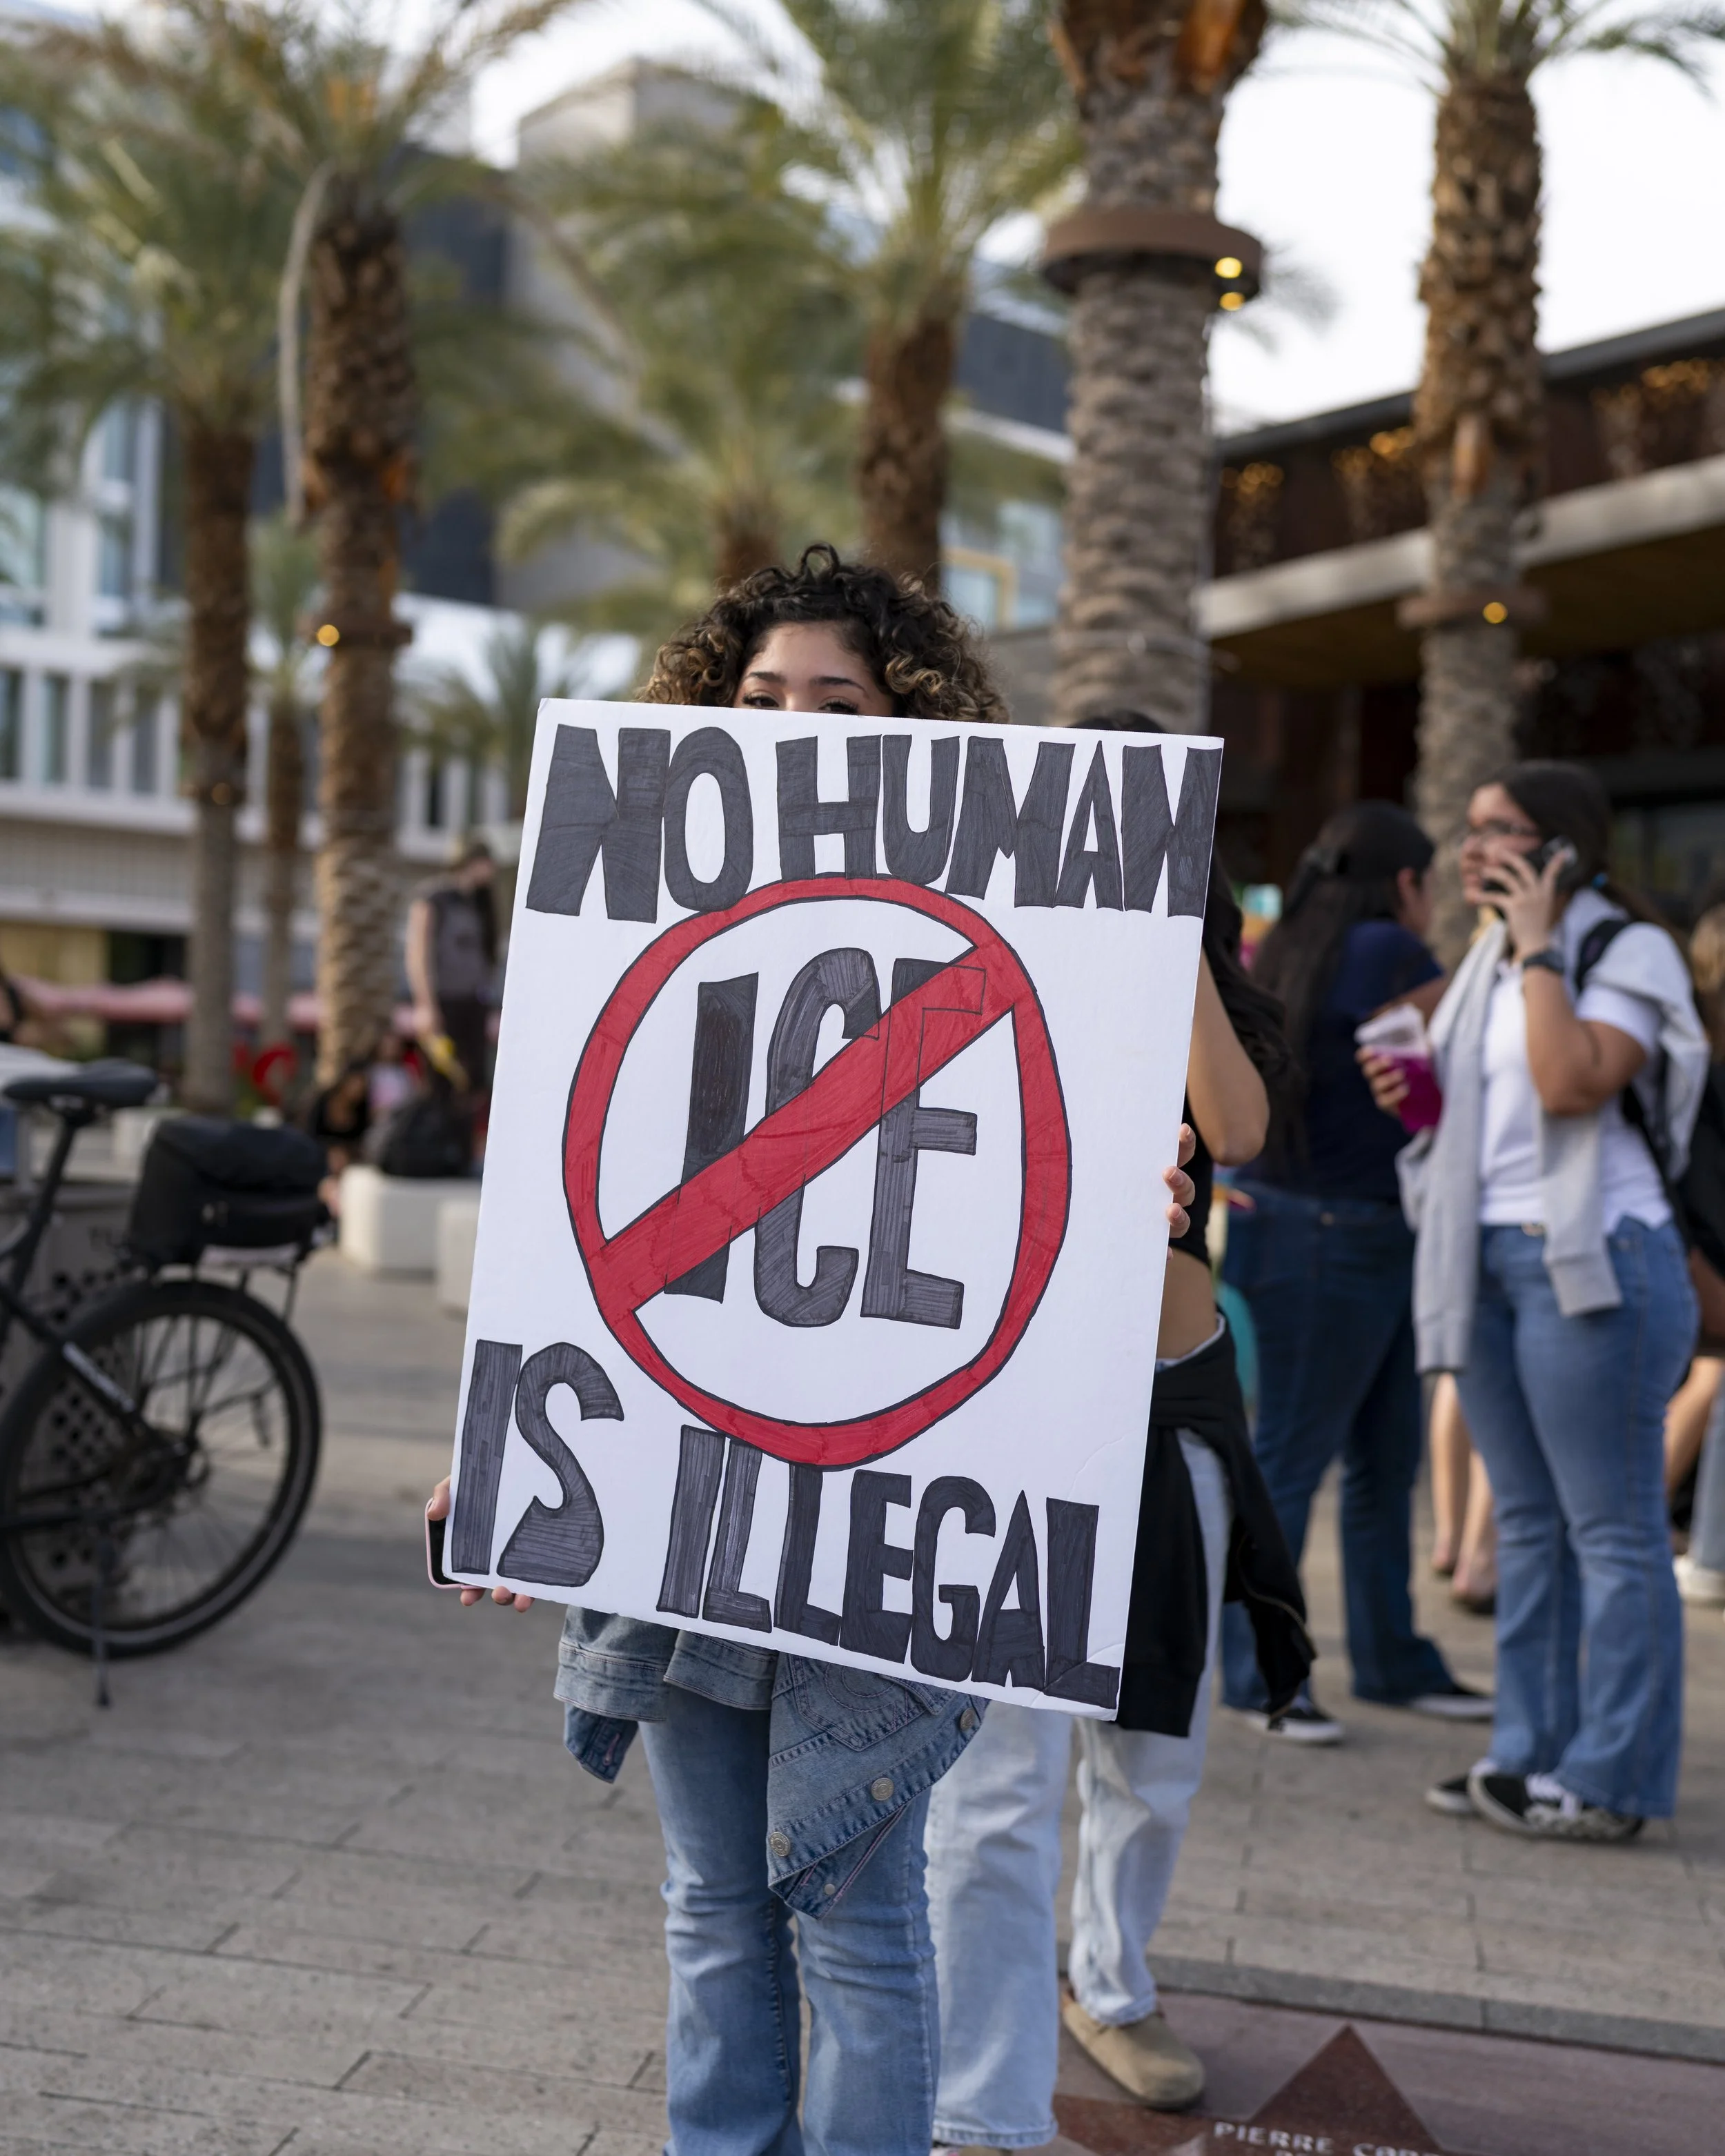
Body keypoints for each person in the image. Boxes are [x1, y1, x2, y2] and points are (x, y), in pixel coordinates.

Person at [431, 551, 1203, 2156]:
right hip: (687, 1494)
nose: (789, 725)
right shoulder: (644, 901)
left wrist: (1134, 1206)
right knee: (710, 1900)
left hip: (886, 1505)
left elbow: (1062, 1235)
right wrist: (506, 1454)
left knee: (855, 1916)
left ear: (915, 726)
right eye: (760, 695)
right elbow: (576, 1218)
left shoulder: (1035, 944)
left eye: (834, 700)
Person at [925, 711, 1312, 2144]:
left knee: (1155, 1738)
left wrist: (1165, 927)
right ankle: (970, 2077)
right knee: (1000, 1768)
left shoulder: (1196, 967)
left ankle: (1112, 1977)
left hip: (1169, 1398)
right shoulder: (972, 941)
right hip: (1010, 1400)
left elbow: (1241, 1125)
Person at [1363, 761, 1707, 1842]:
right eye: (1467, 833)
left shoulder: (1619, 949)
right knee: (1527, 1522)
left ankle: (1610, 1781)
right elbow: (1479, 1117)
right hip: (1489, 1260)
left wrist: (1546, 943)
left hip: (1597, 1260)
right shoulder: (1484, 966)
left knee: (1612, 1530)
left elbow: (1570, 1083)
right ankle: (1528, 1754)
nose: (1472, 853)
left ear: (1562, 848)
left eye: (1500, 833)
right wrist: (1414, 1092)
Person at [1219, 802, 1489, 1743]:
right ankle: (1260, 1674)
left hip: (1300, 1228)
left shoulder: (1292, 941)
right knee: (1319, 1463)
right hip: (1342, 1234)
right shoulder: (1385, 948)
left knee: (1370, 1458)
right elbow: (1431, 1044)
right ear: (1405, 883)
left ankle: (1390, 1661)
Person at [406, 838, 499, 1107]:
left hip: (474, 1002)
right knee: (441, 1083)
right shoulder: (434, 899)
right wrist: (425, 1005)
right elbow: (418, 954)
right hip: (443, 1002)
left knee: (474, 1084)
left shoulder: (481, 904)